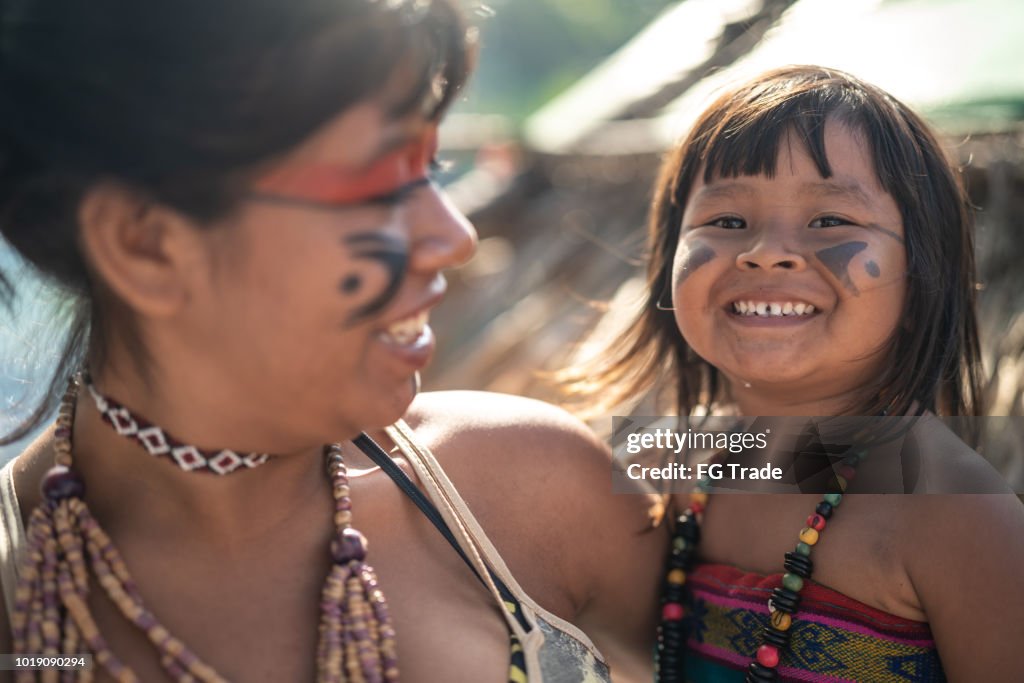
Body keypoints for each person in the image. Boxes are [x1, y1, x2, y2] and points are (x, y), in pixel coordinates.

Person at [0, 1, 666, 681]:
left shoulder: (537, 487)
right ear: (144, 246)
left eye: (431, 171)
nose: (456, 237)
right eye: (379, 188)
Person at [564, 66, 1024, 682]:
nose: (765, 250)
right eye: (726, 222)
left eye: (830, 220)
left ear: (922, 278)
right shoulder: (663, 467)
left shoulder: (957, 513)